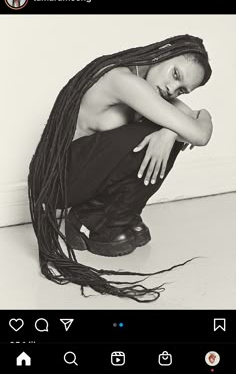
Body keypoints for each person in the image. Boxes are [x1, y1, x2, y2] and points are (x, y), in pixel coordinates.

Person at [28, 34, 213, 302]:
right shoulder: (124, 81)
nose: (172, 89)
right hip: (59, 181)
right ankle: (91, 217)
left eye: (182, 89)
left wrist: (169, 133)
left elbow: (193, 124)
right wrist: (189, 122)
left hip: (82, 175)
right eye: (175, 74)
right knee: (151, 134)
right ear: (163, 53)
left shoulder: (151, 87)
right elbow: (199, 133)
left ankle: (119, 214)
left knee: (163, 134)